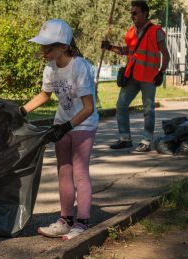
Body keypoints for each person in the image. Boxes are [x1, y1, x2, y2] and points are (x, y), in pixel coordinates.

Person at [20, 19, 98, 240]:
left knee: (80, 172)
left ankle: (82, 222)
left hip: (83, 125)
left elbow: (89, 108)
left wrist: (66, 127)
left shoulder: (79, 66)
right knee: (63, 171)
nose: (43, 50)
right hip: (62, 124)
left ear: (63, 46)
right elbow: (45, 95)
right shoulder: (50, 68)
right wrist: (21, 111)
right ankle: (65, 220)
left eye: (48, 46)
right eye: (42, 46)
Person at [101, 0, 170, 152]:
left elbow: (166, 54)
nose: (132, 16)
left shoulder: (155, 31)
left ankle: (146, 141)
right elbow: (128, 51)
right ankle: (125, 139)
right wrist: (109, 47)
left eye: (135, 13)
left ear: (145, 13)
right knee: (121, 105)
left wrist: (162, 72)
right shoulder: (131, 32)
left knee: (149, 109)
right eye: (131, 13)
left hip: (149, 77)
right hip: (132, 76)